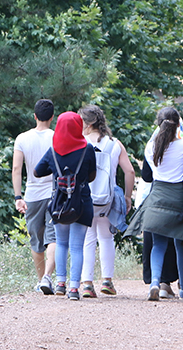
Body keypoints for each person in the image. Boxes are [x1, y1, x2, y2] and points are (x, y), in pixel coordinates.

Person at [125, 106, 183, 301]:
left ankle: (155, 283)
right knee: (180, 244)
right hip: (179, 199)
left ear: (158, 125)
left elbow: (148, 177)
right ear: (178, 125)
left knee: (157, 244)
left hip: (157, 197)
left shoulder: (150, 147)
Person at [34, 111, 97, 301]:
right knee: (77, 246)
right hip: (82, 202)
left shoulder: (53, 150)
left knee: (61, 242)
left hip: (60, 203)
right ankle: (74, 289)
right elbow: (92, 176)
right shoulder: (88, 149)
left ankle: (60, 283)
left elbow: (38, 171)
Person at [78, 105, 135, 298]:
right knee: (106, 237)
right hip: (106, 199)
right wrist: (127, 197)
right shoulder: (114, 144)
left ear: (89, 123)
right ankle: (107, 281)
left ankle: (86, 284)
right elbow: (130, 171)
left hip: (84, 198)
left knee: (87, 239)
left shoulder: (79, 142)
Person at [12, 99, 57, 294]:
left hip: (32, 195)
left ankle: (41, 281)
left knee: (36, 240)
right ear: (52, 117)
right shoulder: (57, 137)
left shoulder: (22, 138)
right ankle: (48, 277)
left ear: (35, 116)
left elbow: (16, 169)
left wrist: (17, 196)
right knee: (53, 237)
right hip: (55, 194)